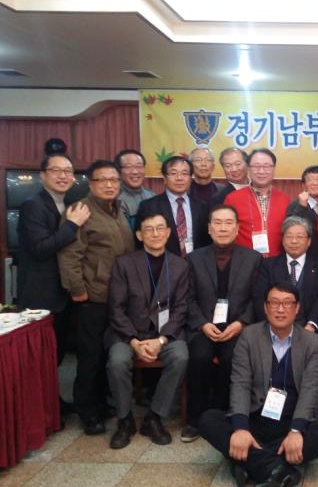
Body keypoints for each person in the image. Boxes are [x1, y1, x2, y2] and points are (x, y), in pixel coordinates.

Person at [198, 282, 318, 487]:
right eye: (274, 303)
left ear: (297, 308)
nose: (280, 309)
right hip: (256, 419)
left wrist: (296, 431)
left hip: (291, 421)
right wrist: (241, 428)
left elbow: (311, 390)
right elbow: (240, 383)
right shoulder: (249, 336)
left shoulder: (312, 342)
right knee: (208, 420)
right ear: (265, 307)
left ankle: (246, 461)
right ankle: (278, 469)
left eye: (287, 303)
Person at [58, 159, 135, 435]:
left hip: (117, 297)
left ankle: (101, 404)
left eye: (114, 180)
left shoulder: (117, 209)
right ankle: (88, 412)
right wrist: (77, 289)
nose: (110, 185)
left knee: (105, 354)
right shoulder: (81, 210)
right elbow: (69, 255)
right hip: (92, 296)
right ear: (91, 184)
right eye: (103, 180)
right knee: (90, 357)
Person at [105, 212, 189, 449]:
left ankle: (154, 417)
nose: (155, 233)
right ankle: (125, 420)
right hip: (128, 333)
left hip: (165, 334)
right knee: (117, 361)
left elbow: (182, 308)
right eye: (149, 229)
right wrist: (133, 340)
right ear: (139, 235)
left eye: (160, 228)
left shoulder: (180, 265)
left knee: (181, 356)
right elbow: (116, 308)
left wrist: (161, 340)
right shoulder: (124, 263)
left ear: (169, 233)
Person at [182, 205, 262, 442]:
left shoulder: (253, 259)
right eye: (217, 223)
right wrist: (202, 324)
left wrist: (241, 323)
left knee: (232, 358)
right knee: (200, 357)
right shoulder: (194, 259)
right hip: (203, 326)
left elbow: (257, 299)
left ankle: (223, 413)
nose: (223, 228)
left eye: (229, 223)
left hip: (237, 327)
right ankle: (195, 419)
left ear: (237, 228)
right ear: (209, 228)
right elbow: (187, 298)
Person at [17, 154, 90, 390]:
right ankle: (37, 406)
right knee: (38, 359)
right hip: (41, 296)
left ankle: (51, 403)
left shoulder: (67, 203)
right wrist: (73, 225)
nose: (63, 176)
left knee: (55, 355)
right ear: (43, 175)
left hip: (62, 292)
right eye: (56, 170)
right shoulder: (33, 205)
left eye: (68, 171)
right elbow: (40, 249)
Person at [253, 216, 318, 346]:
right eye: (289, 236)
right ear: (283, 240)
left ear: (309, 241)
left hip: (311, 330)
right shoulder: (268, 265)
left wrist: (310, 327)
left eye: (299, 237)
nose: (294, 241)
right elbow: (259, 299)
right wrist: (276, 329)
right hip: (274, 330)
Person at [136, 156, 210, 257]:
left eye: (184, 173)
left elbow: (206, 240)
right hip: (163, 262)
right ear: (164, 178)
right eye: (173, 173)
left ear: (191, 178)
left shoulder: (202, 206)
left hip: (196, 262)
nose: (179, 178)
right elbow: (140, 242)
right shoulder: (148, 206)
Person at [225, 148, 290, 257]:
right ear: (248, 169)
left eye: (267, 166)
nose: (261, 171)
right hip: (244, 261)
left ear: (273, 169)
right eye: (256, 166)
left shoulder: (285, 199)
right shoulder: (232, 199)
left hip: (277, 261)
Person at [286, 165, 318, 258]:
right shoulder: (295, 205)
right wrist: (302, 207)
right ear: (303, 185)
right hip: (307, 258)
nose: (315, 183)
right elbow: (290, 230)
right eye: (310, 180)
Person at [114, 149, 155, 230]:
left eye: (139, 166)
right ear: (118, 171)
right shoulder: (115, 200)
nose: (135, 172)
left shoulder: (152, 195)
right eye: (128, 167)